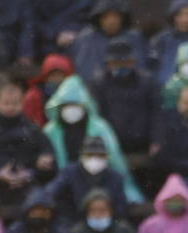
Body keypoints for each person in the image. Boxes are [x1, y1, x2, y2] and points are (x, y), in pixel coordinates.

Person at [43, 75, 143, 205]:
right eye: (67, 105)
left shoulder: (99, 127)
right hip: (65, 180)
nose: (71, 110)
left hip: (98, 179)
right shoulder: (51, 130)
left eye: (75, 105)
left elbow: (115, 159)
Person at [0, 81, 55, 222]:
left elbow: (47, 154)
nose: (11, 108)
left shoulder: (32, 129)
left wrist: (34, 170)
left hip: (27, 185)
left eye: (15, 104)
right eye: (6, 103)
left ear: (22, 104)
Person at [88, 38, 161, 176]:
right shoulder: (99, 84)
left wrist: (156, 139)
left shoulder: (147, 81)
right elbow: (97, 116)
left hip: (142, 144)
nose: (121, 66)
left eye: (125, 62)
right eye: (116, 63)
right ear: (108, 64)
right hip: (113, 145)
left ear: (133, 62)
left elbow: (157, 112)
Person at [147, 1, 188, 85]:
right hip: (164, 86)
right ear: (173, 16)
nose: (185, 19)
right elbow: (152, 65)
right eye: (180, 15)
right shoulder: (161, 39)